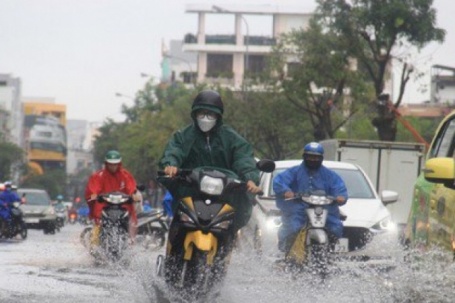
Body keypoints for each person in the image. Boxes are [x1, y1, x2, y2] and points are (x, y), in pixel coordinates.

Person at [158, 89, 261, 238]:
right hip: (190, 189)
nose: (206, 118)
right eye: (202, 114)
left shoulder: (231, 138)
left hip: (225, 193)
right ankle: (173, 249)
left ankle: (226, 248)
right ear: (195, 114)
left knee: (233, 220)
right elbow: (174, 151)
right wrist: (170, 165)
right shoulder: (183, 136)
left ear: (218, 116)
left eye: (210, 114)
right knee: (179, 219)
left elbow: (243, 158)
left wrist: (250, 178)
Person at [273, 142, 348, 253]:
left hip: (324, 210)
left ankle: (332, 253)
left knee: (336, 228)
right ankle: (286, 252)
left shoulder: (330, 175)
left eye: (316, 157)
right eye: (310, 156)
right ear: (304, 157)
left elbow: (339, 187)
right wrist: (286, 191)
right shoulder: (294, 172)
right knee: (292, 227)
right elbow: (279, 181)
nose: (313, 160)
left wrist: (341, 196)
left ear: (321, 158)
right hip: (298, 210)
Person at [84, 150, 141, 249]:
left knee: (132, 221)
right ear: (106, 164)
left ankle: (131, 242)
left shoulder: (125, 175)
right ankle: (94, 245)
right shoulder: (99, 176)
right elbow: (93, 188)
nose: (113, 167)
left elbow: (131, 186)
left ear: (119, 164)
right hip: (104, 206)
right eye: (110, 164)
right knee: (98, 221)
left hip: (123, 206)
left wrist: (133, 194)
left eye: (115, 164)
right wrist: (94, 195)